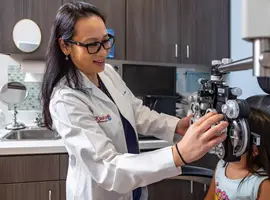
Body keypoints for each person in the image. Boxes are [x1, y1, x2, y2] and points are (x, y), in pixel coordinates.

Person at [41, 2, 228, 200]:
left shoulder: (107, 72)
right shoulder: (66, 100)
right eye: (92, 44)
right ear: (65, 45)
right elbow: (107, 168)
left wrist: (177, 126)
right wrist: (178, 154)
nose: (103, 51)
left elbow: (136, 112)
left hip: (132, 191)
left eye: (106, 41)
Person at [204, 107, 270, 200]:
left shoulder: (262, 186)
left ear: (254, 149)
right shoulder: (222, 166)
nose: (225, 139)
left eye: (233, 137)